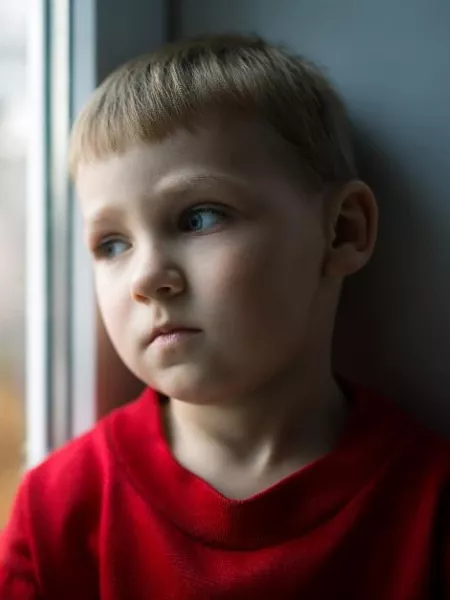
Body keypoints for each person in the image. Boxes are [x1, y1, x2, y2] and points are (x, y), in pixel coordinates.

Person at [0, 33, 448, 600]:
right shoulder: (58, 510)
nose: (145, 279)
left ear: (342, 231)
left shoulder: (430, 505)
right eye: (112, 244)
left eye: (199, 218)